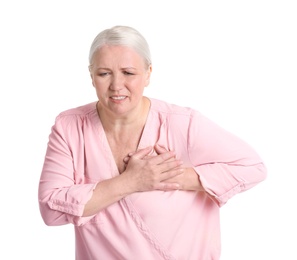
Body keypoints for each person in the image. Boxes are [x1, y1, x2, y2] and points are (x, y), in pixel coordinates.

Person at [38, 25, 267, 260]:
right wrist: (130, 182)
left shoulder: (182, 124)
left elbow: (253, 167)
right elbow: (50, 209)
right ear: (91, 76)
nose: (116, 85)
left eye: (128, 73)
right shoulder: (69, 127)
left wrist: (173, 176)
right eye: (104, 73)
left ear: (148, 73)